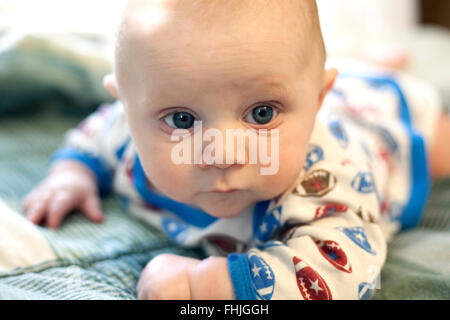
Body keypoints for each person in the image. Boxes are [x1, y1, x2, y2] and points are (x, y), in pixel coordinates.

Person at [21, 0, 450, 300]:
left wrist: (205, 286)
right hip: (317, 87)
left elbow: (344, 274)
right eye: (183, 120)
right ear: (127, 106)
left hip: (379, 125)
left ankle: (375, 70)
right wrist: (73, 172)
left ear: (317, 100)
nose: (224, 153)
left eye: (262, 114)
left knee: (437, 147)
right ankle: (362, 64)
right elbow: (95, 132)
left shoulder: (324, 187)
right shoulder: (127, 130)